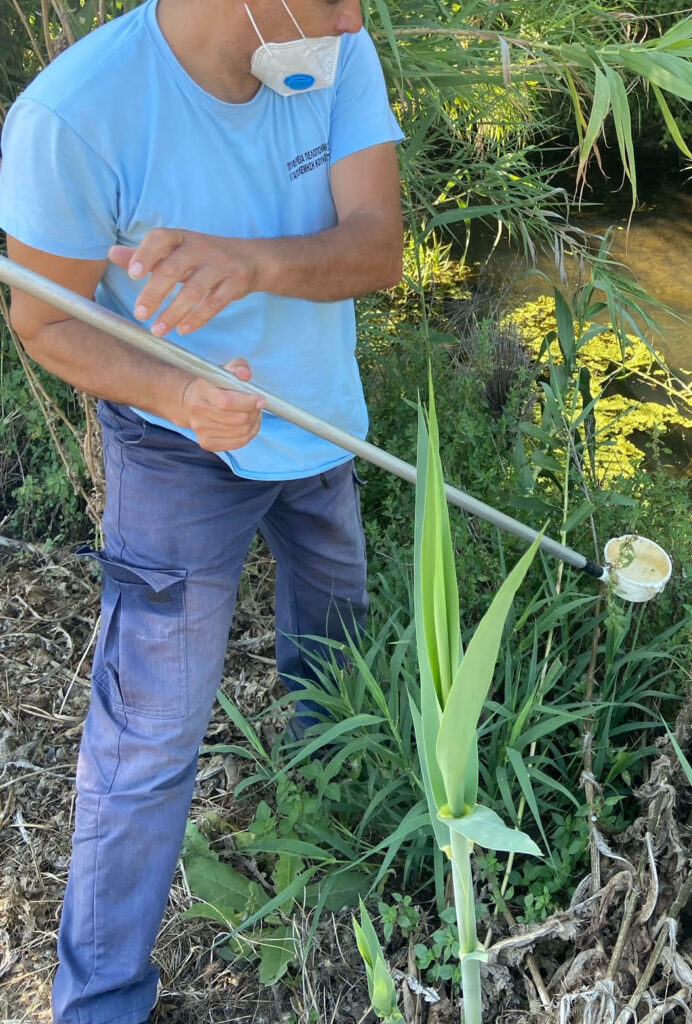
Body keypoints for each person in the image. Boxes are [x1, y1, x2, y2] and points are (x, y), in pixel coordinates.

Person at [0, 0, 404, 1020]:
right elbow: (44, 319)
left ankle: (338, 833)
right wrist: (181, 396)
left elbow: (377, 248)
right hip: (177, 449)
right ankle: (98, 999)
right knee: (148, 740)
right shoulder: (75, 117)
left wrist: (255, 262)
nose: (354, 15)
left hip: (323, 428)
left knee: (336, 648)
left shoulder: (334, 53)